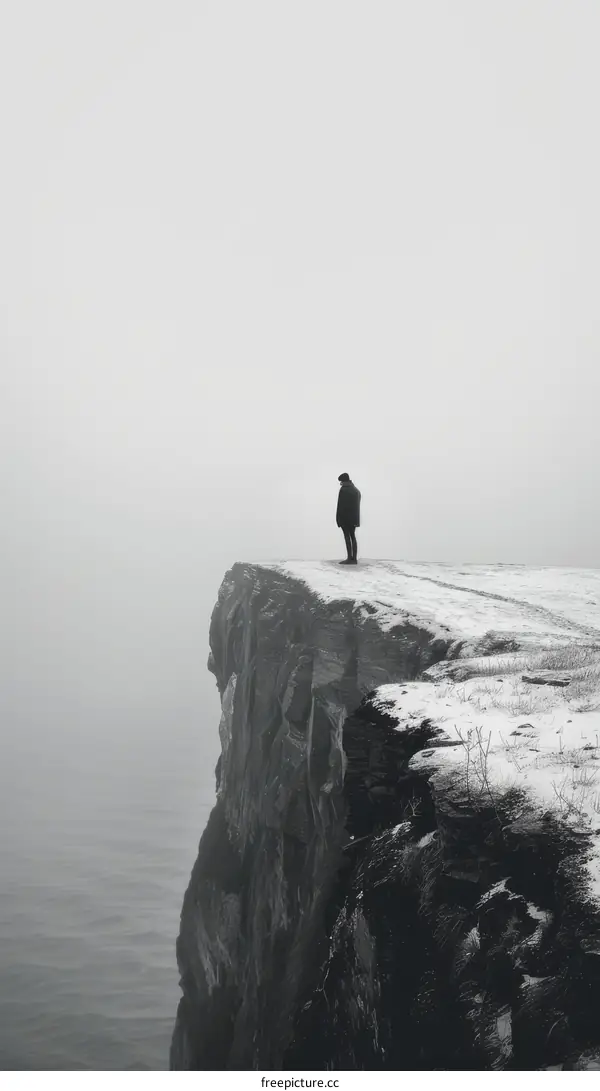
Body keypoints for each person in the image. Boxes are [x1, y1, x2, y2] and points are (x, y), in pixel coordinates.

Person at [336, 472, 361, 565]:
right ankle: (354, 559)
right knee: (353, 536)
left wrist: (339, 519)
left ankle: (349, 558)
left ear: (344, 481)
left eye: (341, 482)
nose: (341, 484)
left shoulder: (343, 490)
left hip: (345, 518)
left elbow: (340, 506)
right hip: (354, 518)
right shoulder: (356, 490)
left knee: (347, 537)